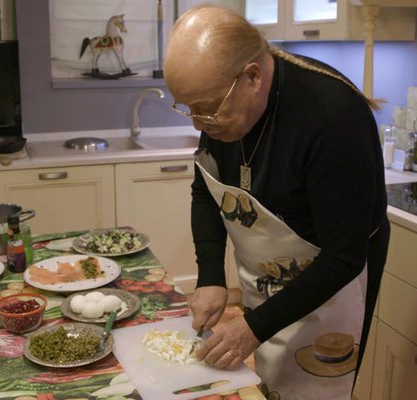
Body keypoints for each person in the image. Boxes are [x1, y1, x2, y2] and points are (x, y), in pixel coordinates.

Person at [163, 5, 390, 399]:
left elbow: (344, 256)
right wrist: (212, 276)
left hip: (332, 284)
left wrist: (252, 327)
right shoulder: (221, 106)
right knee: (271, 384)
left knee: (315, 387)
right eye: (188, 108)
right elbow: (207, 187)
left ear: (252, 76)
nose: (198, 124)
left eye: (206, 109)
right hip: (270, 279)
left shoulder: (332, 120)